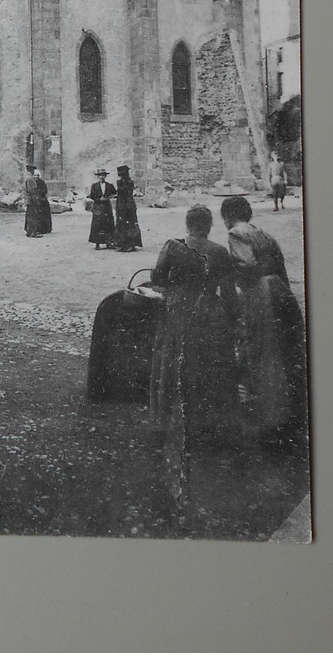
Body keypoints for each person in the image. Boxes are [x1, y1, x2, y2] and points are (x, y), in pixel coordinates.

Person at [148, 204, 243, 505]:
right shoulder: (219, 252)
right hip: (206, 313)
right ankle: (207, 422)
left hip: (177, 310)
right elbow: (228, 295)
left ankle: (167, 418)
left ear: (188, 224)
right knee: (205, 366)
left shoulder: (172, 247)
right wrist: (231, 322)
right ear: (209, 225)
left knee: (174, 361)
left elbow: (157, 277)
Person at [220, 195, 307, 447]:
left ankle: (270, 416)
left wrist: (234, 283)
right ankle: (289, 414)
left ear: (227, 216)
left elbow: (246, 265)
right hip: (278, 291)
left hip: (261, 294)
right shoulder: (263, 234)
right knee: (284, 351)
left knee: (263, 351)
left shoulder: (237, 234)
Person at [112, 164, 143, 252]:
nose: (122, 176)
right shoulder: (120, 182)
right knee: (121, 224)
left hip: (129, 205)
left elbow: (125, 191)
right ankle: (121, 244)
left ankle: (131, 244)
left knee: (130, 224)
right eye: (121, 174)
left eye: (123, 174)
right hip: (121, 205)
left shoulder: (129, 182)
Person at [87, 168, 116, 248]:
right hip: (98, 206)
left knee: (108, 223)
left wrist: (108, 197)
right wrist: (99, 199)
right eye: (100, 175)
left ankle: (108, 242)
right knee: (97, 224)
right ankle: (97, 243)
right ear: (98, 176)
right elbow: (92, 195)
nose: (102, 177)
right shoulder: (94, 185)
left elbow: (114, 193)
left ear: (105, 176)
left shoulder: (109, 185)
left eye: (103, 175)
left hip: (107, 206)